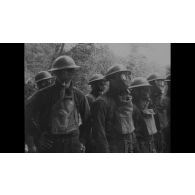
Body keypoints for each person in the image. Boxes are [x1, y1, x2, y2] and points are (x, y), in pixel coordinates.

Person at [25, 55, 90, 153]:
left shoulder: (79, 95)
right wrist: (37, 137)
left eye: (69, 70)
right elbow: (27, 115)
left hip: (73, 144)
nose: (65, 73)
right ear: (55, 73)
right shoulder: (42, 95)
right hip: (50, 145)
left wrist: (82, 141)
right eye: (61, 71)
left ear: (73, 72)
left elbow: (88, 120)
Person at [91, 64, 137, 153]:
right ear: (112, 79)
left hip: (129, 146)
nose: (127, 79)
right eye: (123, 76)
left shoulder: (127, 101)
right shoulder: (101, 102)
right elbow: (99, 135)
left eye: (128, 76)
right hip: (113, 148)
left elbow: (131, 128)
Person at [130, 77, 158, 152]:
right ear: (136, 91)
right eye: (144, 89)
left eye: (147, 89)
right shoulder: (132, 108)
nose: (147, 92)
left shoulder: (146, 99)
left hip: (148, 142)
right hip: (139, 144)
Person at [147, 73, 168, 152]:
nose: (160, 84)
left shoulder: (161, 96)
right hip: (154, 130)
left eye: (161, 82)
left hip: (163, 127)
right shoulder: (148, 98)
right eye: (158, 82)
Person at [85, 73, 106, 152]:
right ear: (93, 85)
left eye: (103, 84)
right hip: (91, 133)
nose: (102, 87)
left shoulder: (102, 99)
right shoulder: (89, 98)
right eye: (100, 84)